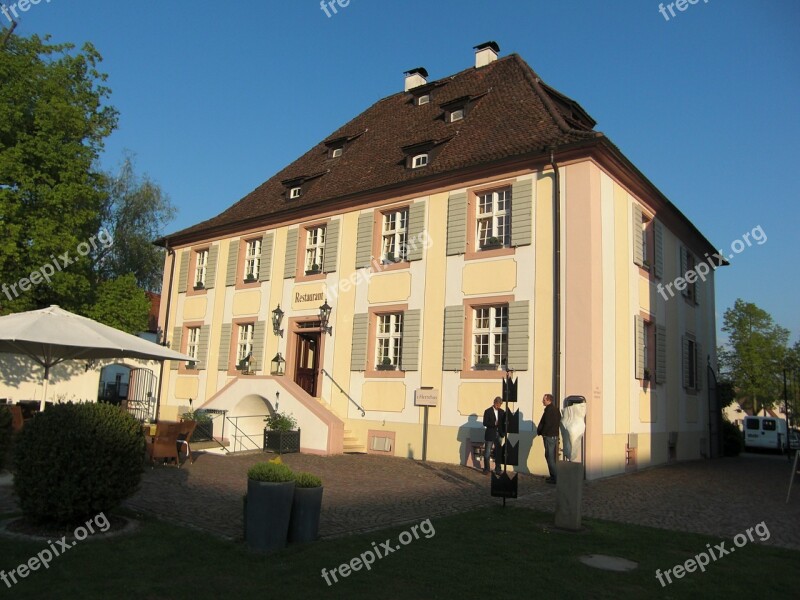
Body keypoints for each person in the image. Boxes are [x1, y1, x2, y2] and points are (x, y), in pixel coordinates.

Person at [537, 393, 560, 483]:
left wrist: (543, 433)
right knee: (549, 456)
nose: (542, 401)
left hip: (549, 436)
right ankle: (553, 476)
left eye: (544, 399)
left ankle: (555, 477)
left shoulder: (550, 410)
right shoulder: (555, 410)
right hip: (553, 435)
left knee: (549, 457)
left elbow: (547, 423)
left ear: (548, 400)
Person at [482, 396, 505, 474]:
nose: (499, 406)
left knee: (498, 452)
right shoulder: (487, 411)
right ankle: (486, 469)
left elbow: (504, 423)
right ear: (494, 403)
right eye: (498, 404)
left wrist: (503, 432)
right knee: (487, 452)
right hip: (490, 434)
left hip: (499, 434)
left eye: (500, 405)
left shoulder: (502, 412)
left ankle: (498, 469)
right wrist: (494, 423)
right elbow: (485, 423)